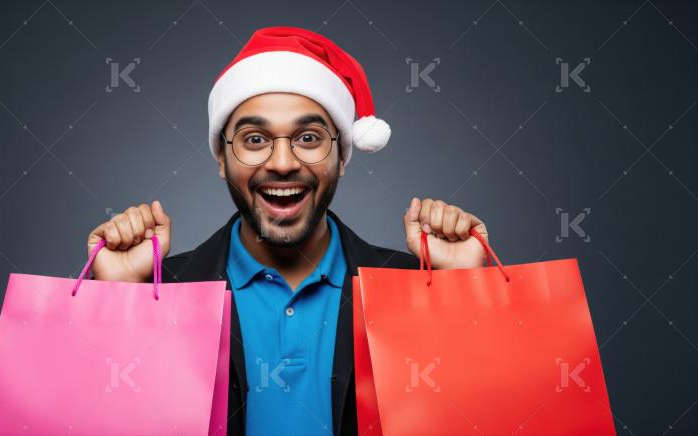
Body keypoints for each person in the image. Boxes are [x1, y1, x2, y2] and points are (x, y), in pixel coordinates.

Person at [87, 26, 489, 436]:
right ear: (223, 159)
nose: (282, 162)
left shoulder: (412, 287)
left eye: (309, 138)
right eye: (255, 138)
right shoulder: (160, 293)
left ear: (342, 156)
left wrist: (463, 290)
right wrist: (118, 298)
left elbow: (481, 415)